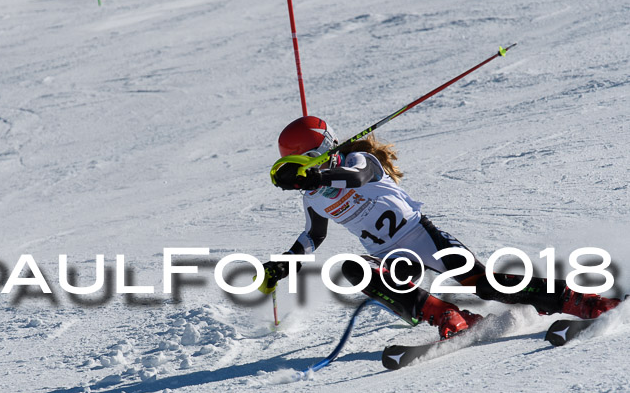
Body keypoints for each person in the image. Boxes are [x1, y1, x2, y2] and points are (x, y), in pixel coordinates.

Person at [258, 116, 622, 338]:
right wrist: (281, 265)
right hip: (390, 256)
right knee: (352, 267)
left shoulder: (358, 159)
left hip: (422, 236)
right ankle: (447, 315)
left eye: (304, 161)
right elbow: (313, 237)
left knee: (484, 284)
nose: (304, 171)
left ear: (321, 151)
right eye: (295, 165)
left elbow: (354, 177)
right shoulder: (314, 197)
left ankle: (582, 301)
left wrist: (317, 175)